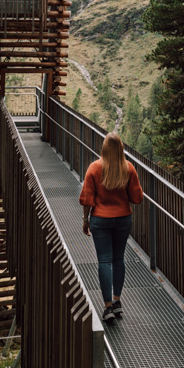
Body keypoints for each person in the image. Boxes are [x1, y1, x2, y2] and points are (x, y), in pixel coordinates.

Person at [79, 131, 143, 323]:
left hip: (100, 220)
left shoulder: (94, 168)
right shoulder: (128, 168)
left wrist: (85, 219)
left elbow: (87, 199)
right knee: (118, 259)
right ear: (121, 149)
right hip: (123, 219)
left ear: (104, 148)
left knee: (104, 261)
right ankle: (117, 301)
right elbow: (137, 198)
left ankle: (107, 307)